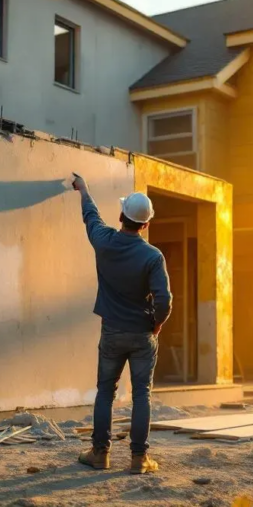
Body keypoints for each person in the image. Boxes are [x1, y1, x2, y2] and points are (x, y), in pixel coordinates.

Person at [71, 173, 172, 475]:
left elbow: (91, 215)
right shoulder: (153, 256)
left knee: (105, 392)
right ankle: (139, 460)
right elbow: (164, 299)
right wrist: (157, 324)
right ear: (146, 224)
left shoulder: (103, 242)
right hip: (142, 335)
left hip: (112, 332)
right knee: (142, 394)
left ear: (121, 216)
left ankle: (100, 454)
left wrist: (84, 188)